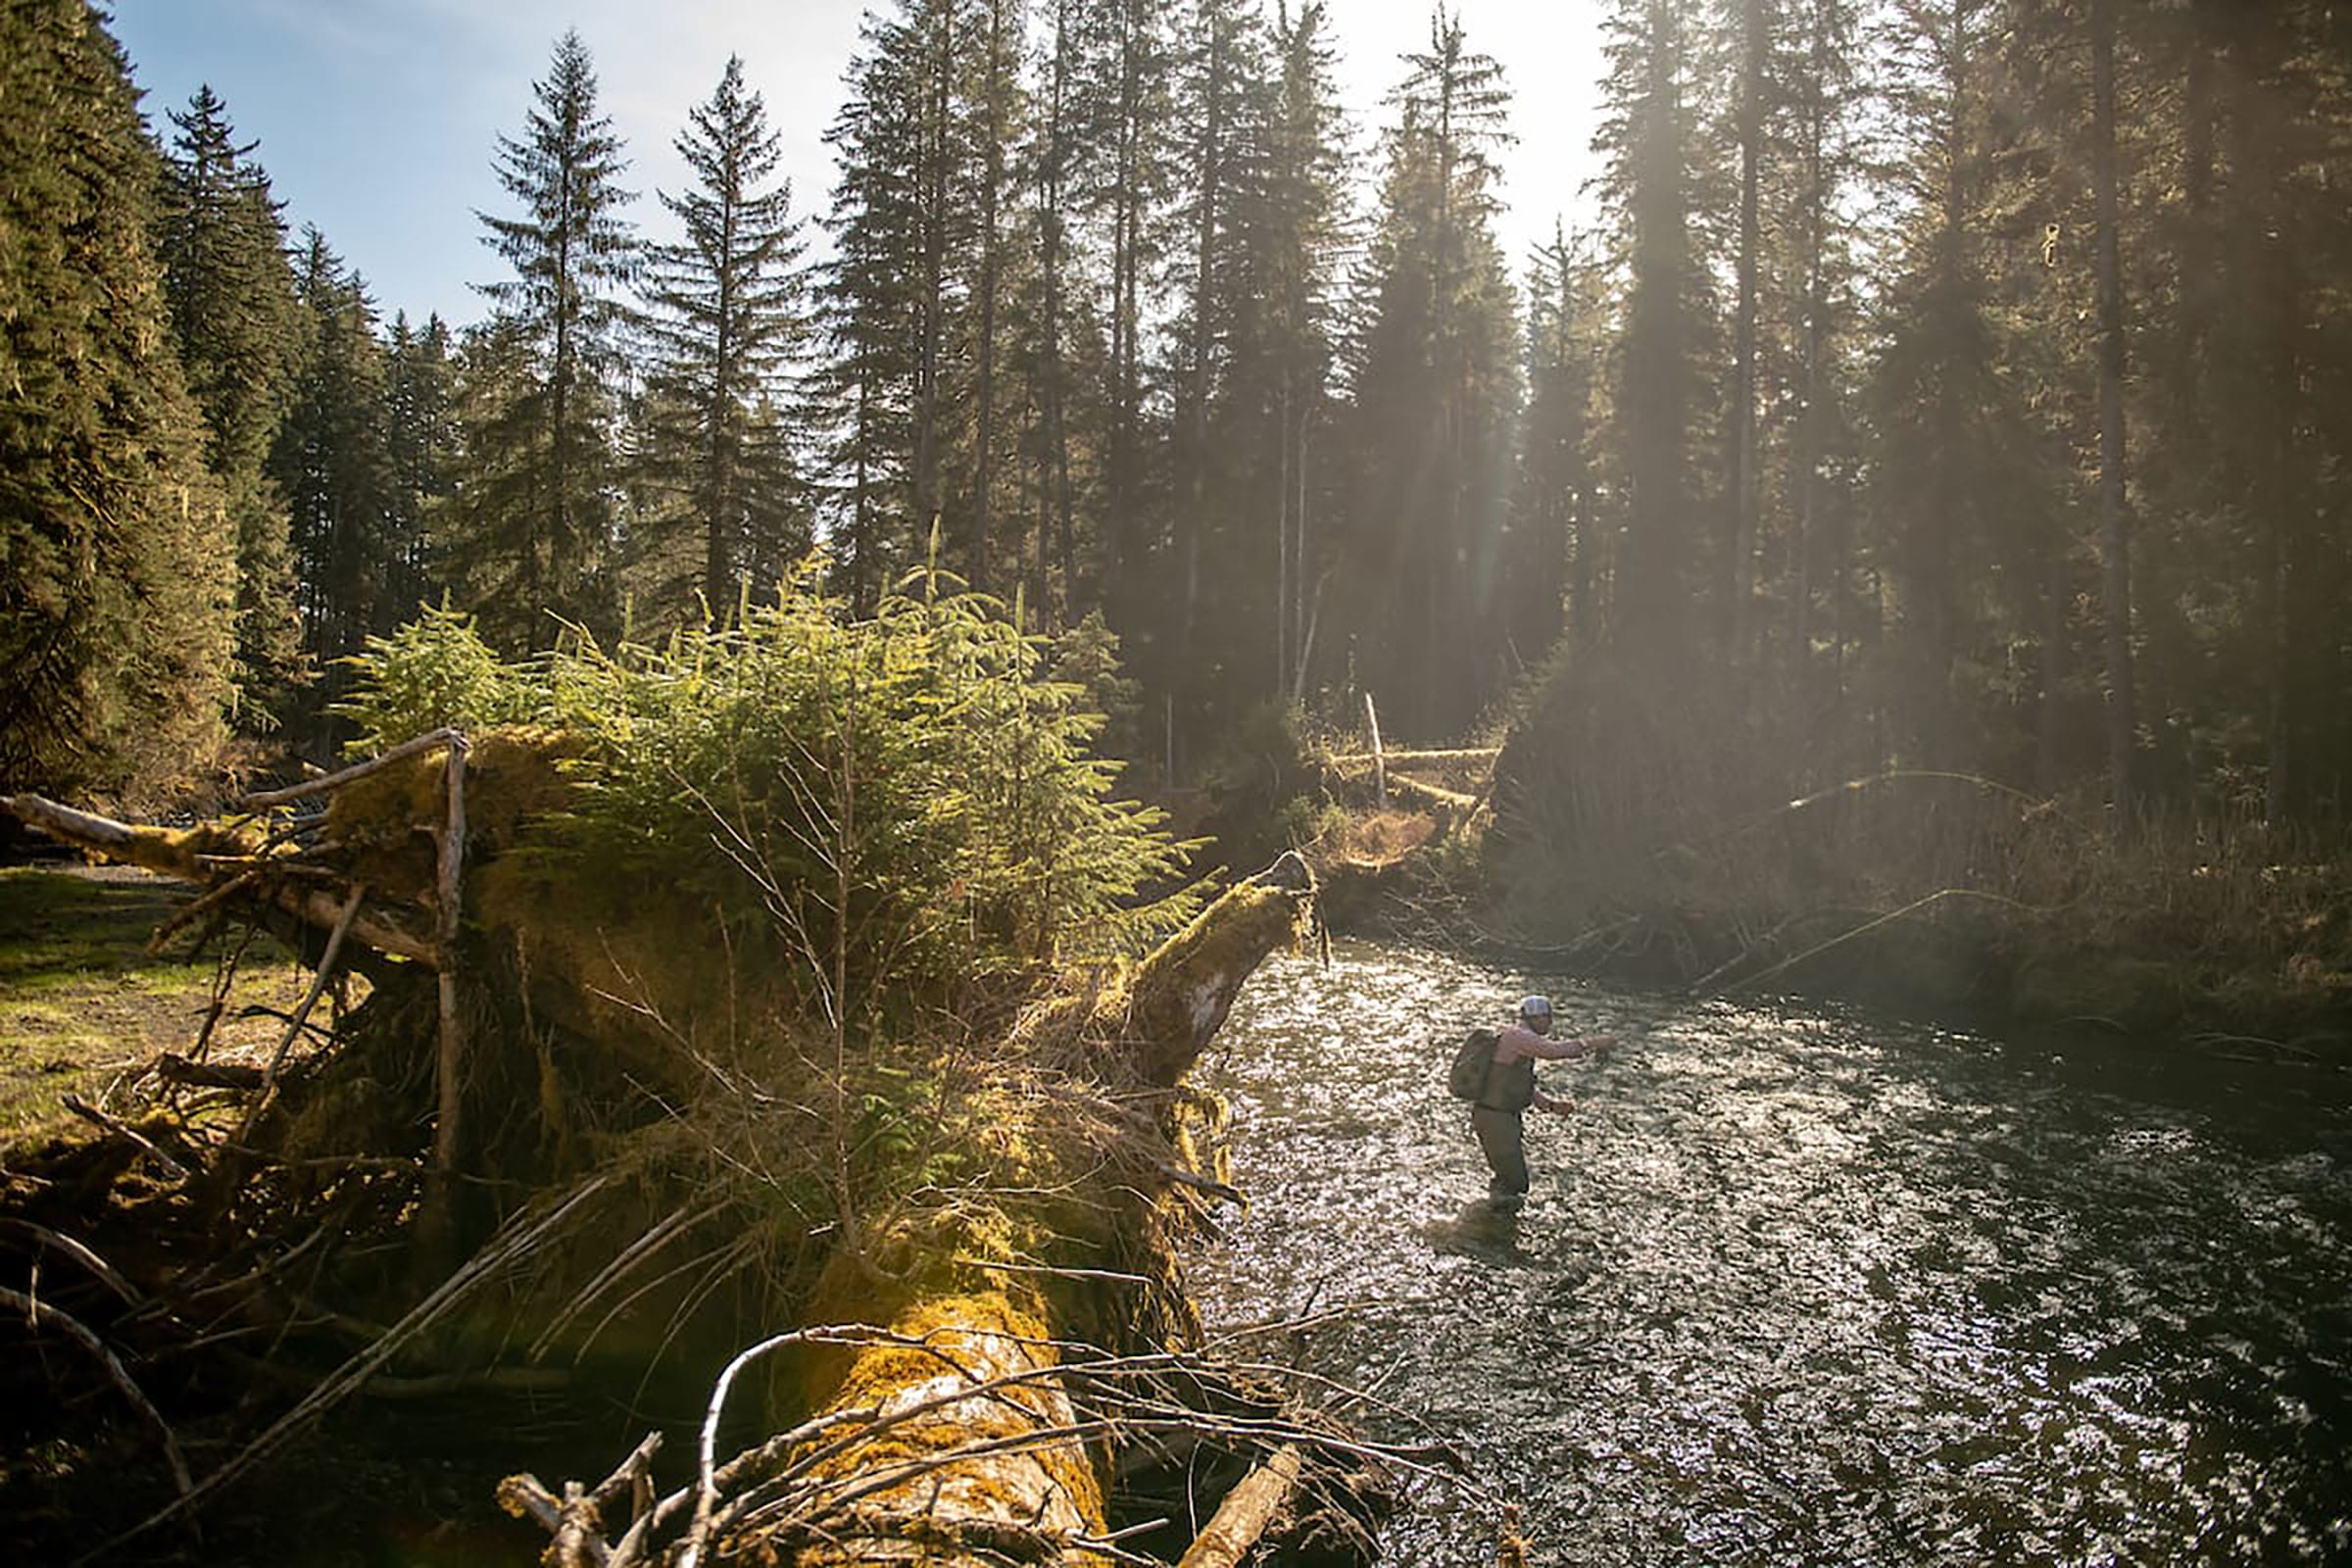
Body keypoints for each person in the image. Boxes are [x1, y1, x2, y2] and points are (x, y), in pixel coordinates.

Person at [1469, 994, 1616, 1210]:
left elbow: (1520, 1084)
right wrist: (1592, 1043)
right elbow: (1553, 1051)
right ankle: (1488, 1223)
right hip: (1495, 1118)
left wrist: (1550, 1105)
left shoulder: (1519, 1041)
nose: (1550, 1022)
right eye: (1547, 1017)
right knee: (1514, 1182)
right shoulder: (1518, 1036)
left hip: (1500, 1118)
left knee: (1511, 1181)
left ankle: (1493, 1220)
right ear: (1535, 1018)